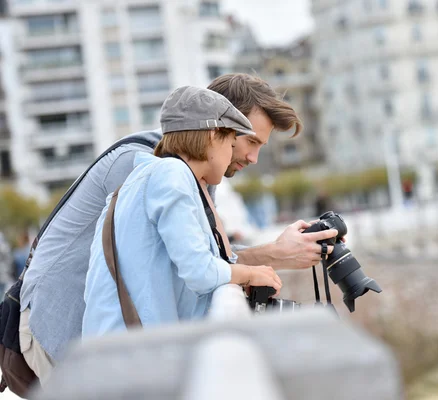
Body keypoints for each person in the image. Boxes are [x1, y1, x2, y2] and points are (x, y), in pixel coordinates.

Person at [18, 73, 339, 382]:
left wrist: (274, 256)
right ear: (218, 125)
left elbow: (191, 256)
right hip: (61, 328)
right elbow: (190, 262)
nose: (253, 157)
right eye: (249, 140)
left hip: (110, 339)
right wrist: (271, 257)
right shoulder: (150, 167)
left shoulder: (187, 170)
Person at [83, 87, 282, 337]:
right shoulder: (171, 175)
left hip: (121, 344)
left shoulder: (151, 177)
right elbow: (200, 272)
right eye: (231, 144)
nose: (232, 154)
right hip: (127, 351)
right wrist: (251, 274)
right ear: (213, 136)